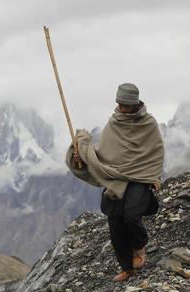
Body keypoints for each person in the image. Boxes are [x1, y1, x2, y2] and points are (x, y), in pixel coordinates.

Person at [67, 83, 165, 281]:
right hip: (117, 177)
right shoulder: (114, 123)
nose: (121, 108)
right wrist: (83, 154)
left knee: (131, 215)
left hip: (140, 177)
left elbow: (155, 152)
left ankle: (139, 245)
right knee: (115, 220)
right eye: (119, 104)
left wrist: (153, 175)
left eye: (125, 105)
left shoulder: (148, 123)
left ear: (135, 104)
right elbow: (105, 153)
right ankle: (127, 268)